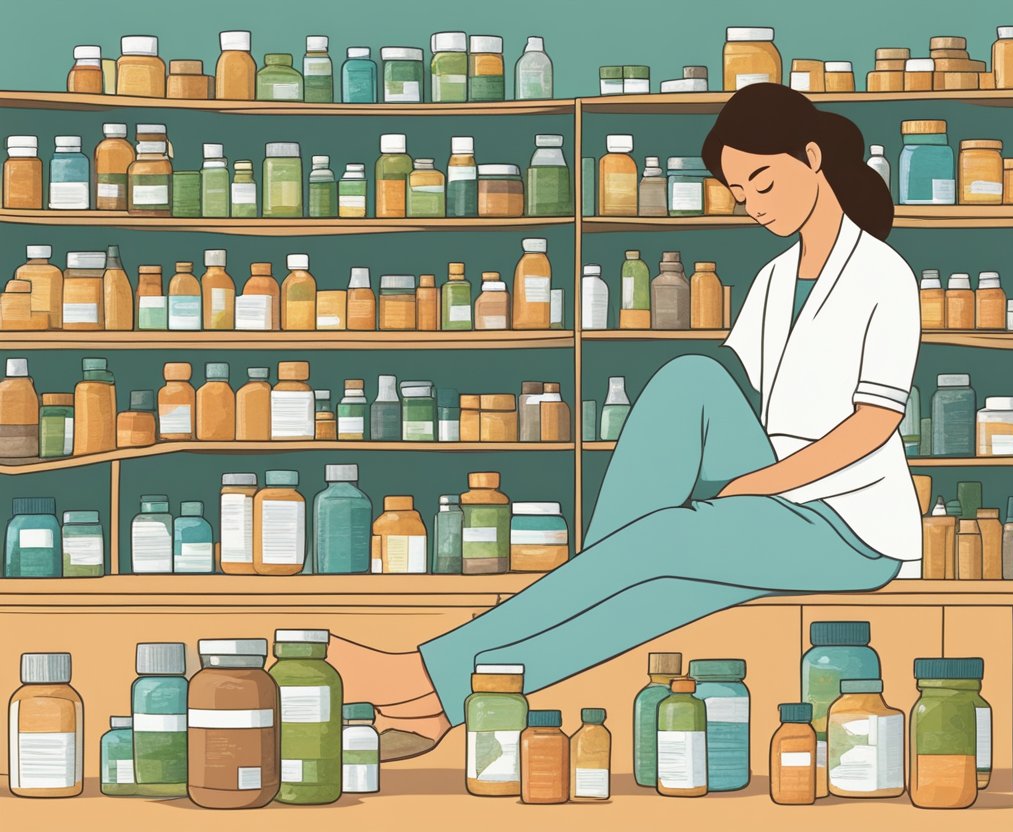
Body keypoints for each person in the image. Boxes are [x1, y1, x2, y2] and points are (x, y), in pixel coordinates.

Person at [329, 83, 923, 760]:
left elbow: (872, 425)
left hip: (849, 529)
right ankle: (447, 704)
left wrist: (753, 488)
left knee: (657, 552)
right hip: (778, 498)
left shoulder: (883, 275)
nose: (756, 207)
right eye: (740, 196)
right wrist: (739, 486)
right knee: (686, 390)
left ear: (812, 156)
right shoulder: (774, 278)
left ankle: (417, 674)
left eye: (763, 181)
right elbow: (731, 394)